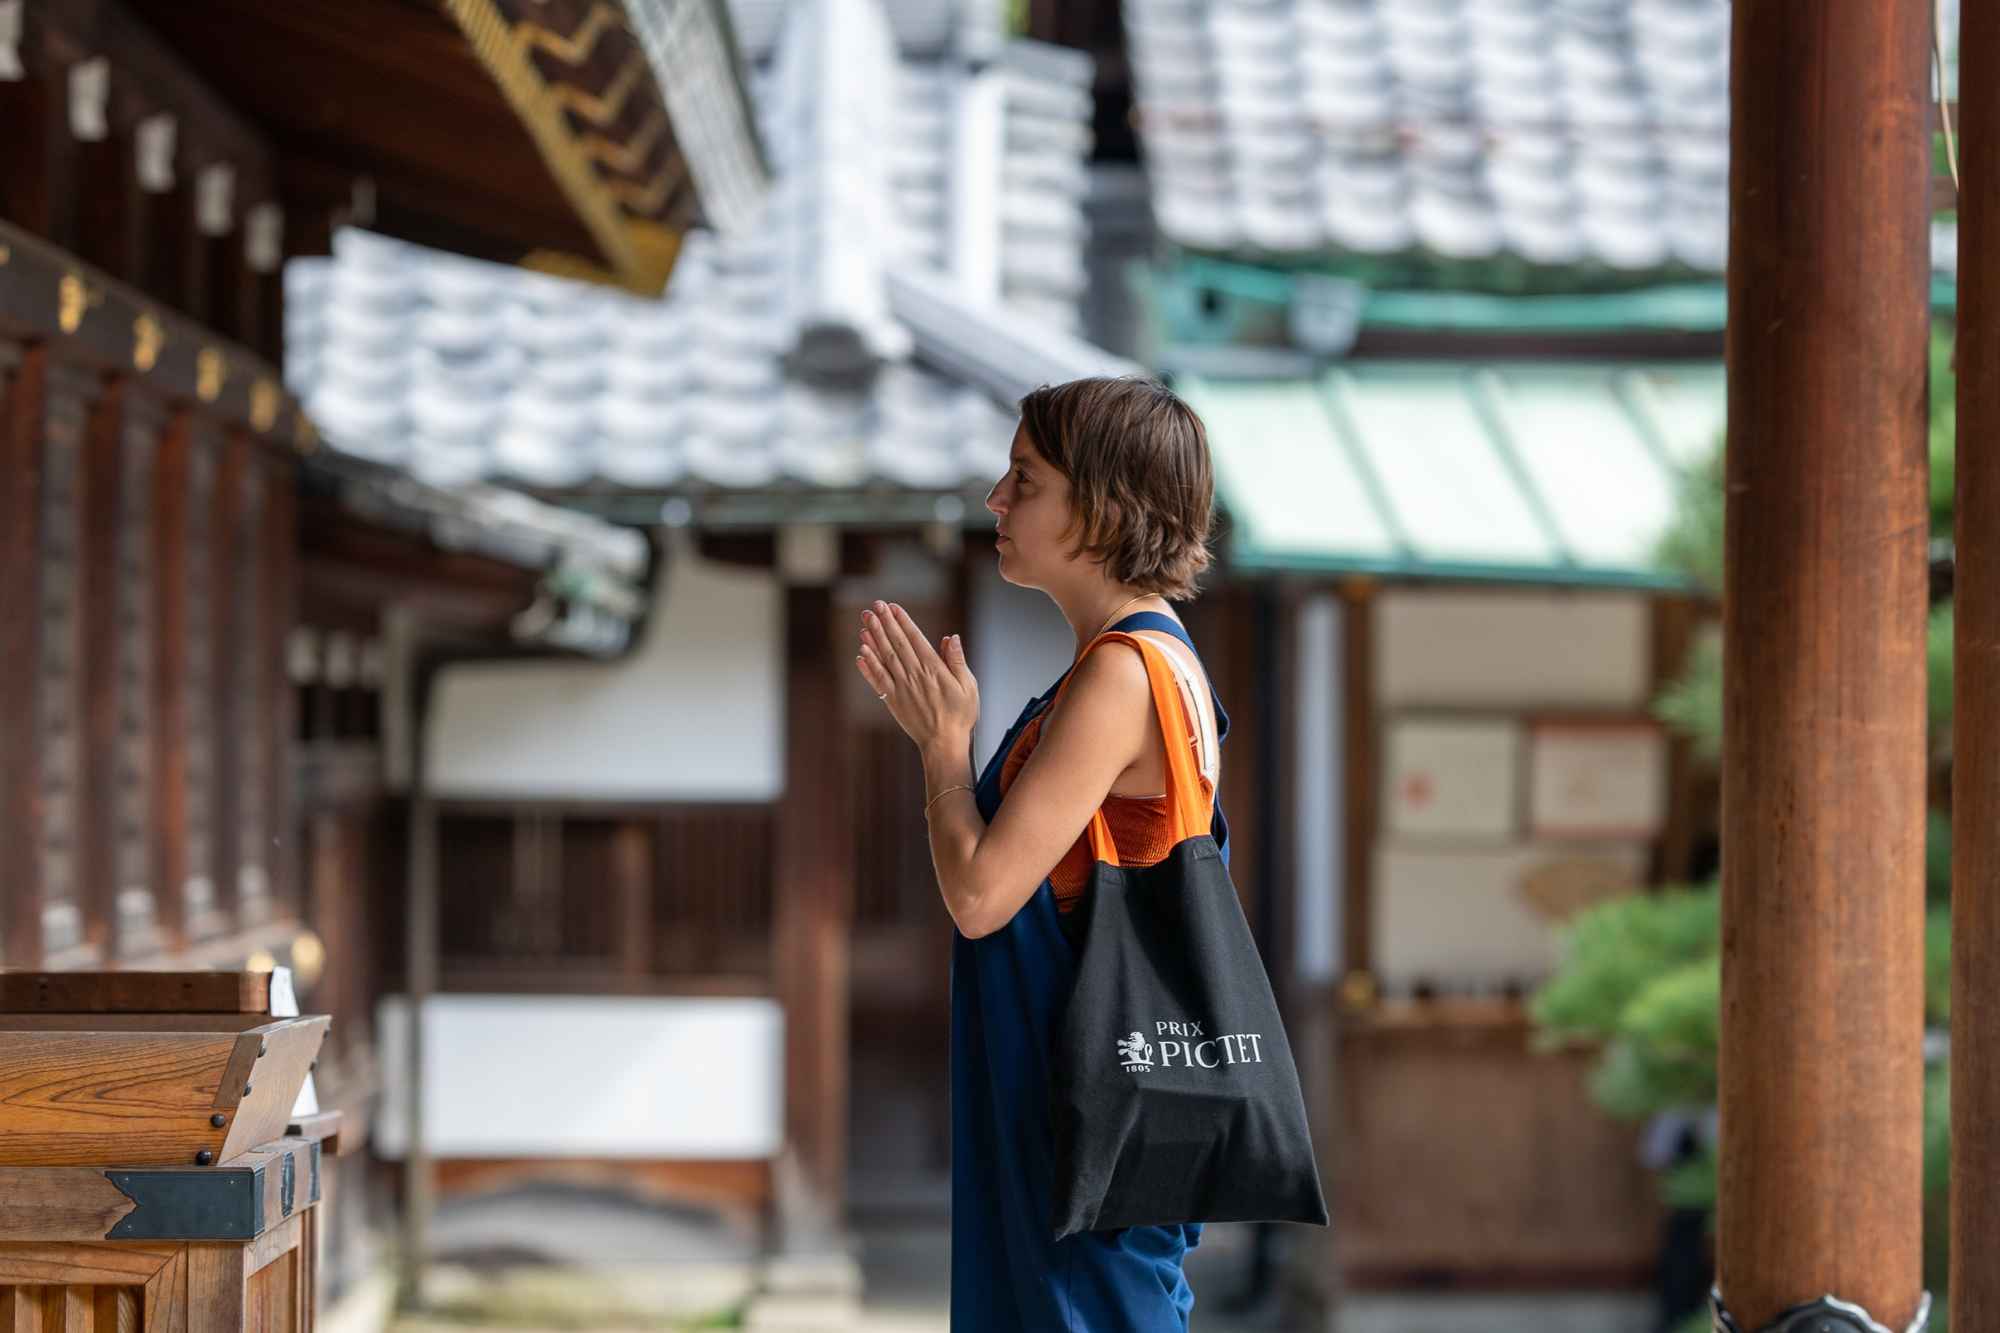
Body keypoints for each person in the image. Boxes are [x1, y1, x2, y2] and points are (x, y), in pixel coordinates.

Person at [854, 375, 1233, 1331]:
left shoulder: (1119, 673)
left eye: (1025, 478)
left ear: (1101, 507)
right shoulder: (1161, 660)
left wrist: (944, 749)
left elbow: (983, 893)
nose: (997, 499)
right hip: (1104, 1104)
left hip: (1079, 1116)